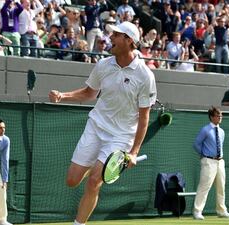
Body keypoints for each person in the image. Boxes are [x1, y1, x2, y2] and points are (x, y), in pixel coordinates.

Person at [48, 21, 157, 225]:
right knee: (72, 180)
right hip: (96, 127)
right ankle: (97, 163)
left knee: (94, 181)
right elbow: (90, 93)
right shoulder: (103, 65)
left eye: (116, 35)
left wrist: (133, 151)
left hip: (121, 136)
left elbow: (144, 117)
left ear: (129, 41)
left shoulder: (145, 76)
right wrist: (64, 95)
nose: (110, 39)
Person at [192, 106, 229, 220]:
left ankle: (222, 211)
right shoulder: (205, 129)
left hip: (220, 162)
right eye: (218, 115)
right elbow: (196, 144)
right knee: (204, 187)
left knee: (221, 187)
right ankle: (197, 212)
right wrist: (203, 154)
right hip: (208, 161)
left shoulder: (222, 131)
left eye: (221, 115)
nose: (220, 117)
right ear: (211, 117)